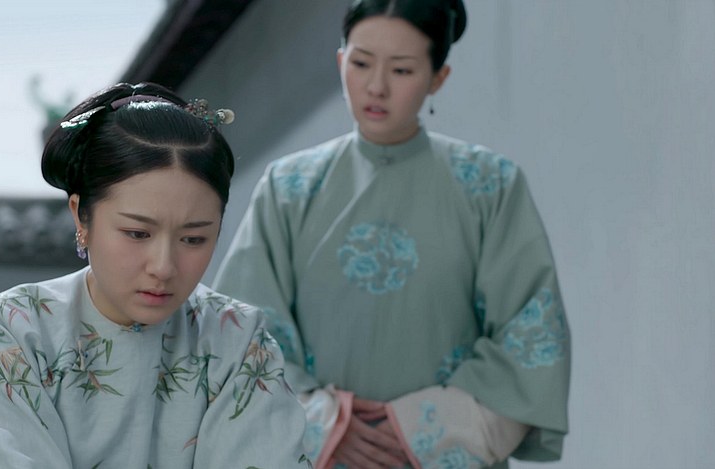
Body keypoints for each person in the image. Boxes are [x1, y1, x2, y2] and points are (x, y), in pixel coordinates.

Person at [213, 1, 571, 468]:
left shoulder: (490, 185)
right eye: (361, 63)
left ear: (438, 77)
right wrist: (324, 426)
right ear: (341, 60)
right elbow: (243, 332)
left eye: (401, 70)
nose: (376, 86)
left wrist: (419, 431)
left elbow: (530, 334)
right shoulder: (289, 188)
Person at [0, 82, 310, 468]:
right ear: (81, 216)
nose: (163, 266)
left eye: (193, 238)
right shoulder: (13, 330)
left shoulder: (238, 339)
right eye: (138, 233)